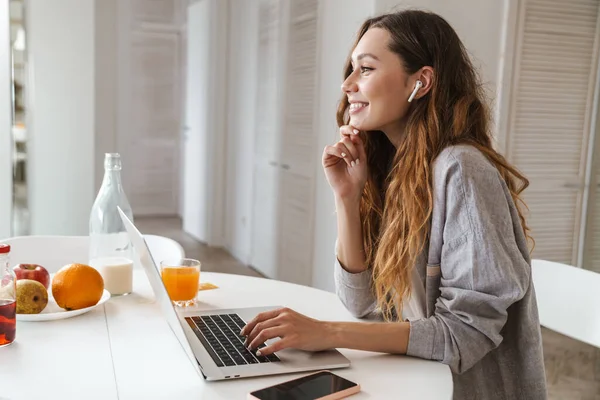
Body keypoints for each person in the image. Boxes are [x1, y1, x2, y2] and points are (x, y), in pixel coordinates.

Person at [241, 9, 547, 399]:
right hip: (414, 377)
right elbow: (360, 303)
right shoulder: (393, 166)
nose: (348, 84)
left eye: (365, 69)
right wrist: (348, 198)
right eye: (351, 69)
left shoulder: (462, 170)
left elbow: (464, 335)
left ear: (420, 81)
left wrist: (326, 332)